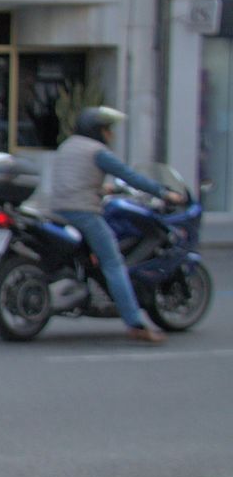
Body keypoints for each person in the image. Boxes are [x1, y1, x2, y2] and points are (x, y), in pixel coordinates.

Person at [47, 106, 186, 346]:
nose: (111, 135)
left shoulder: (67, 146)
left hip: (56, 211)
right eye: (108, 130)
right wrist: (164, 193)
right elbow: (131, 177)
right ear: (98, 131)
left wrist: (102, 189)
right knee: (113, 263)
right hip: (83, 213)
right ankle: (135, 323)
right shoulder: (97, 151)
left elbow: (74, 180)